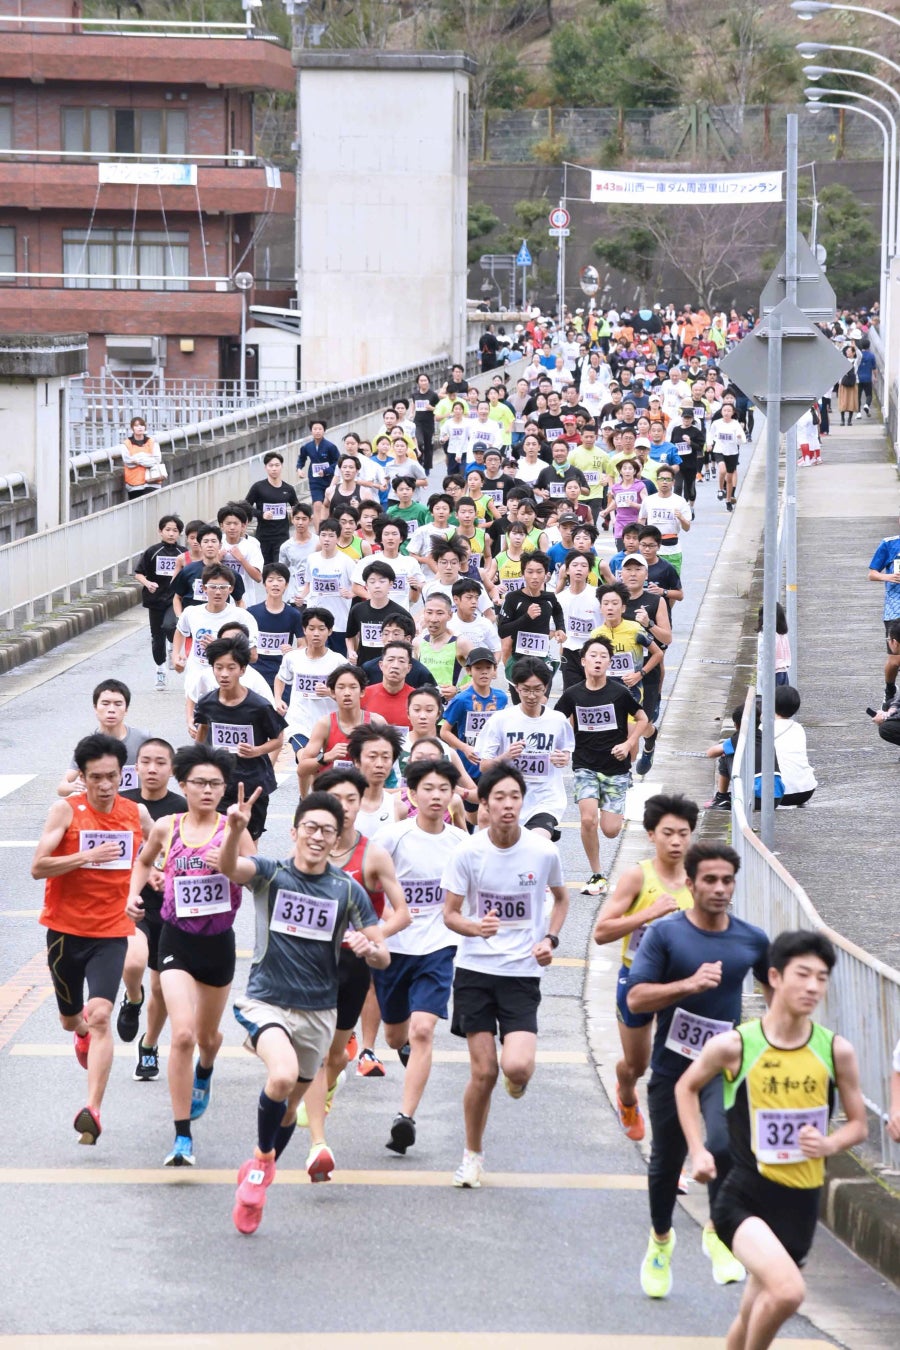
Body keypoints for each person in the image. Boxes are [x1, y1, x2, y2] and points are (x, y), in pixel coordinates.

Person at [676, 931, 867, 1348]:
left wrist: (830, 1145)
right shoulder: (736, 1046)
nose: (813, 986)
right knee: (787, 1292)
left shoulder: (835, 1051)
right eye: (803, 975)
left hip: (801, 1203)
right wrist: (697, 1150)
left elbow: (859, 1125)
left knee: (754, 1307)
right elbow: (685, 1087)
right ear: (776, 977)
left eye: (822, 978)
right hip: (744, 1197)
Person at [219, 786, 388, 1232]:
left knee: (291, 1108)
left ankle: (264, 1164)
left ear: (336, 841)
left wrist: (366, 946)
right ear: (294, 831)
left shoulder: (346, 889)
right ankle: (260, 1164)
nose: (318, 837)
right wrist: (234, 830)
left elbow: (384, 953)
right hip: (267, 1000)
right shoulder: (271, 873)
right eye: (310, 827)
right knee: (280, 1075)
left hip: (319, 1012)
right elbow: (229, 867)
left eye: (328, 832)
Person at [626, 843, 771, 1298]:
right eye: (710, 880)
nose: (720, 889)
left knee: (725, 1146)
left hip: (722, 1067)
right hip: (672, 1067)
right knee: (666, 1162)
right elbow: (635, 999)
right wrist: (688, 984)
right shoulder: (666, 935)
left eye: (727, 880)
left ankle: (717, 1230)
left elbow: (774, 994)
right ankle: (661, 1241)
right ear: (690, 884)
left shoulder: (751, 939)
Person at [126, 744, 254, 1166]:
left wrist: (232, 852)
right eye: (199, 782)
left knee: (207, 1038)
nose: (207, 790)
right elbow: (144, 862)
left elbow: (257, 878)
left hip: (218, 943)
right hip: (176, 940)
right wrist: (136, 893)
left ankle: (206, 1070)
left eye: (215, 784)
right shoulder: (168, 825)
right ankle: (182, 1136)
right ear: (183, 785)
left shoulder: (234, 826)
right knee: (180, 1034)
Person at [442, 763, 568, 1187]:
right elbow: (450, 915)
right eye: (499, 797)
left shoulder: (542, 851)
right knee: (484, 1072)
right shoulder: (467, 853)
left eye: (515, 796)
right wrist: (475, 927)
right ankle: (472, 1156)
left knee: (516, 1068)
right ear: (485, 803)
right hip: (475, 970)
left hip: (521, 974)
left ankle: (518, 1080)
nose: (508, 805)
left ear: (523, 801)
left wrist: (550, 939)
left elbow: (562, 899)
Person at [33, 733, 152, 1143]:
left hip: (111, 932)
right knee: (73, 1019)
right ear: (83, 778)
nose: (105, 785)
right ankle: (79, 1032)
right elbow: (38, 867)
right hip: (65, 932)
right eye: (96, 777)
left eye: (112, 777)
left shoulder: (135, 813)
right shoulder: (65, 811)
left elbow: (159, 853)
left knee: (100, 1014)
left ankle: (93, 1110)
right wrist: (85, 856)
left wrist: (149, 880)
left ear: (123, 775)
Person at [294, 766, 411, 1166]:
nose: (344, 808)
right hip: (309, 963)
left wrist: (373, 935)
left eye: (351, 800)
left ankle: (328, 1084)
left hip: (354, 964)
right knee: (313, 1050)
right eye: (337, 799)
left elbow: (402, 913)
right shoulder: (308, 847)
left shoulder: (372, 853)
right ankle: (317, 1139)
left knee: (336, 1052)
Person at [371, 757, 468, 1153]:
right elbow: (366, 884)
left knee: (424, 1030)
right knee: (396, 1036)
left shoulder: (462, 843)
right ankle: (406, 1047)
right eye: (427, 788)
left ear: (452, 796)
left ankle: (405, 1119)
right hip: (394, 948)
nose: (435, 796)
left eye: (443, 789)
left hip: (438, 947)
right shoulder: (393, 838)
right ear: (411, 794)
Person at [592, 794, 697, 1142]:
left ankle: (674, 1149)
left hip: (682, 987)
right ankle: (626, 1094)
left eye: (683, 833)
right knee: (638, 1065)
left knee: (679, 1072)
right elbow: (602, 932)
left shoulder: (701, 881)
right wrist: (649, 914)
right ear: (651, 834)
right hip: (636, 981)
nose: (676, 841)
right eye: (668, 832)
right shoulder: (638, 877)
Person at [555, 637, 648, 896]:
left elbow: (642, 718)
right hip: (584, 765)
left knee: (610, 830)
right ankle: (597, 874)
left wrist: (629, 743)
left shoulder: (619, 693)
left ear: (609, 662)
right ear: (583, 661)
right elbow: (556, 721)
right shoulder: (572, 694)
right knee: (587, 819)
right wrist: (561, 749)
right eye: (593, 656)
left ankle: (617, 807)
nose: (597, 660)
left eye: (603, 656)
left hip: (615, 767)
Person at [119, 738, 186, 1083]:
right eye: (145, 761)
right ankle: (132, 999)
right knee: (132, 962)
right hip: (131, 902)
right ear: (135, 767)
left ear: (172, 770)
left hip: (171, 908)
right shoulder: (121, 803)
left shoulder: (183, 809)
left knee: (161, 989)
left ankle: (149, 1045)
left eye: (161, 762)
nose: (152, 768)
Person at [192, 635, 286, 840]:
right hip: (218, 783)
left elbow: (279, 739)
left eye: (231, 667)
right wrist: (195, 764)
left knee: (248, 844)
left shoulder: (259, 706)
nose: (224, 674)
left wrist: (256, 751)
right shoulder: (207, 703)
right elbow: (202, 733)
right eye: (218, 667)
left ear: (242, 669)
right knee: (216, 840)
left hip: (253, 782)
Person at [475, 656, 574, 840]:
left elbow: (566, 752)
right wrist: (505, 756)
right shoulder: (501, 720)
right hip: (509, 798)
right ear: (516, 687)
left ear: (546, 688)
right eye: (525, 690)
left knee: (537, 841)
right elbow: (484, 766)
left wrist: (563, 759)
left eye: (537, 690)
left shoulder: (558, 720)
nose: (531, 696)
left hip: (546, 799)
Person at [173, 565, 260, 727]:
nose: (218, 592)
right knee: (198, 728)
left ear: (231, 589)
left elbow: (253, 657)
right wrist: (176, 656)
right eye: (213, 587)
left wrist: (220, 648)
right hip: (197, 677)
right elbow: (180, 631)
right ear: (204, 588)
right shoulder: (191, 613)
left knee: (222, 728)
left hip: (227, 680)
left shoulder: (243, 617)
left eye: (223, 587)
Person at [297, 664, 385, 796]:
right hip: (331, 798)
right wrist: (326, 757)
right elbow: (302, 769)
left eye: (353, 687)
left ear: (362, 692)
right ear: (332, 692)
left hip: (365, 796)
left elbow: (391, 765)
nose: (347, 693)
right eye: (341, 687)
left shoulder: (377, 722)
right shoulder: (325, 724)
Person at [57, 678, 150, 799]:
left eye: (118, 704)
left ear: (126, 709)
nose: (111, 710)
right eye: (105, 704)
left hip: (135, 807)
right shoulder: (89, 745)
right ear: (95, 708)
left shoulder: (142, 738)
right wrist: (74, 786)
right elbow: (62, 788)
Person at [274, 607, 345, 759]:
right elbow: (280, 678)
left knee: (314, 768)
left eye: (321, 629)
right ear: (304, 630)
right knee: (306, 758)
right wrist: (278, 699)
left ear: (330, 631)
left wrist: (330, 692)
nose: (316, 634)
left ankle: (306, 783)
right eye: (311, 628)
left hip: (328, 724)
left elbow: (351, 693)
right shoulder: (292, 658)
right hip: (299, 722)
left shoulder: (339, 662)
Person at [135, 513, 184, 690]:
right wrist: (148, 583)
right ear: (160, 531)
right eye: (168, 530)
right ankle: (160, 669)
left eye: (175, 530)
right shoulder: (152, 551)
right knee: (157, 637)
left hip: (174, 599)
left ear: (179, 534)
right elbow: (139, 573)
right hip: (155, 599)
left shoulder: (183, 553)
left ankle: (174, 646)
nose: (171, 534)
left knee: (170, 626)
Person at [297, 518, 356, 655]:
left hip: (339, 622)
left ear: (338, 537)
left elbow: (358, 588)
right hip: (315, 620)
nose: (327, 539)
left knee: (338, 660)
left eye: (331, 535)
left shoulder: (346, 562)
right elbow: (308, 584)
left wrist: (350, 593)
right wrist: (301, 597)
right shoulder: (312, 559)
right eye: (323, 535)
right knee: (314, 655)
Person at [248, 564, 305, 691]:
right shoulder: (251, 613)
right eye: (270, 580)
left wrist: (293, 651)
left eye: (280, 580)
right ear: (264, 584)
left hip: (283, 673)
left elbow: (303, 645)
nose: (275, 584)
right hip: (256, 673)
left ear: (286, 585)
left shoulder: (294, 614)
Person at [346, 560, 408, 667]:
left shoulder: (401, 614)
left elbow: (409, 642)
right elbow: (350, 636)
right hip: (364, 667)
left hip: (391, 668)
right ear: (366, 585)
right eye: (372, 581)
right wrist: (351, 651)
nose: (377, 586)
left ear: (391, 584)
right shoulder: (357, 610)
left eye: (382, 581)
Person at [245, 452, 299, 566]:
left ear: (281, 466)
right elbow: (245, 506)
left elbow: (297, 507)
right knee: (264, 568)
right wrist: (261, 514)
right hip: (263, 535)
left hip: (282, 535)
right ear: (265, 468)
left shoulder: (288, 489)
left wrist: (294, 516)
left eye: (277, 465)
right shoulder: (258, 487)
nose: (274, 469)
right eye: (271, 465)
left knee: (279, 567)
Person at [218, 502, 264, 607]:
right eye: (228, 524)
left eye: (236, 523)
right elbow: (203, 569)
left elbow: (258, 577)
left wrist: (242, 560)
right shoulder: (216, 543)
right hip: (219, 599)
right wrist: (218, 558)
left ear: (243, 525)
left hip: (245, 600)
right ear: (221, 525)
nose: (232, 527)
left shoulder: (251, 546)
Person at [297, 418, 340, 525]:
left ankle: (330, 527)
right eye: (315, 429)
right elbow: (302, 459)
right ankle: (318, 533)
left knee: (328, 505)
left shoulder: (330, 446)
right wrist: (299, 469)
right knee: (317, 505)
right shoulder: (307, 447)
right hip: (315, 480)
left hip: (329, 480)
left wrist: (326, 471)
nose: (317, 431)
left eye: (320, 429)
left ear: (324, 431)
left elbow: (338, 462)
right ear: (311, 431)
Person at [707, 403, 746, 511]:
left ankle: (728, 500)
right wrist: (709, 444)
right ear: (721, 412)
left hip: (732, 453)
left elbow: (742, 440)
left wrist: (738, 438)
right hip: (719, 450)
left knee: (729, 478)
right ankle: (720, 489)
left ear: (732, 413)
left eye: (729, 411)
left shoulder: (735, 424)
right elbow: (710, 434)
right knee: (722, 470)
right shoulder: (716, 423)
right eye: (724, 410)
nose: (726, 413)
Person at [867, 510, 900, 639]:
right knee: (895, 658)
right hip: (895, 610)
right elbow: (872, 574)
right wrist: (888, 577)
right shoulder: (889, 543)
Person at [279, 503, 318, 603]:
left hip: (316, 595)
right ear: (292, 519)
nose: (300, 522)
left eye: (304, 519)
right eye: (297, 518)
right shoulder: (286, 547)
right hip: (295, 597)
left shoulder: (319, 542)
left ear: (310, 520)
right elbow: (282, 572)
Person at [122, 416, 164, 499]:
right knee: (137, 510)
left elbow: (156, 460)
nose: (139, 428)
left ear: (145, 427)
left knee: (152, 509)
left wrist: (137, 459)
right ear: (132, 428)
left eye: (141, 425)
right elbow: (128, 462)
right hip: (134, 484)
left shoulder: (152, 442)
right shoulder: (126, 444)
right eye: (136, 426)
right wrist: (147, 457)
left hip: (153, 481)